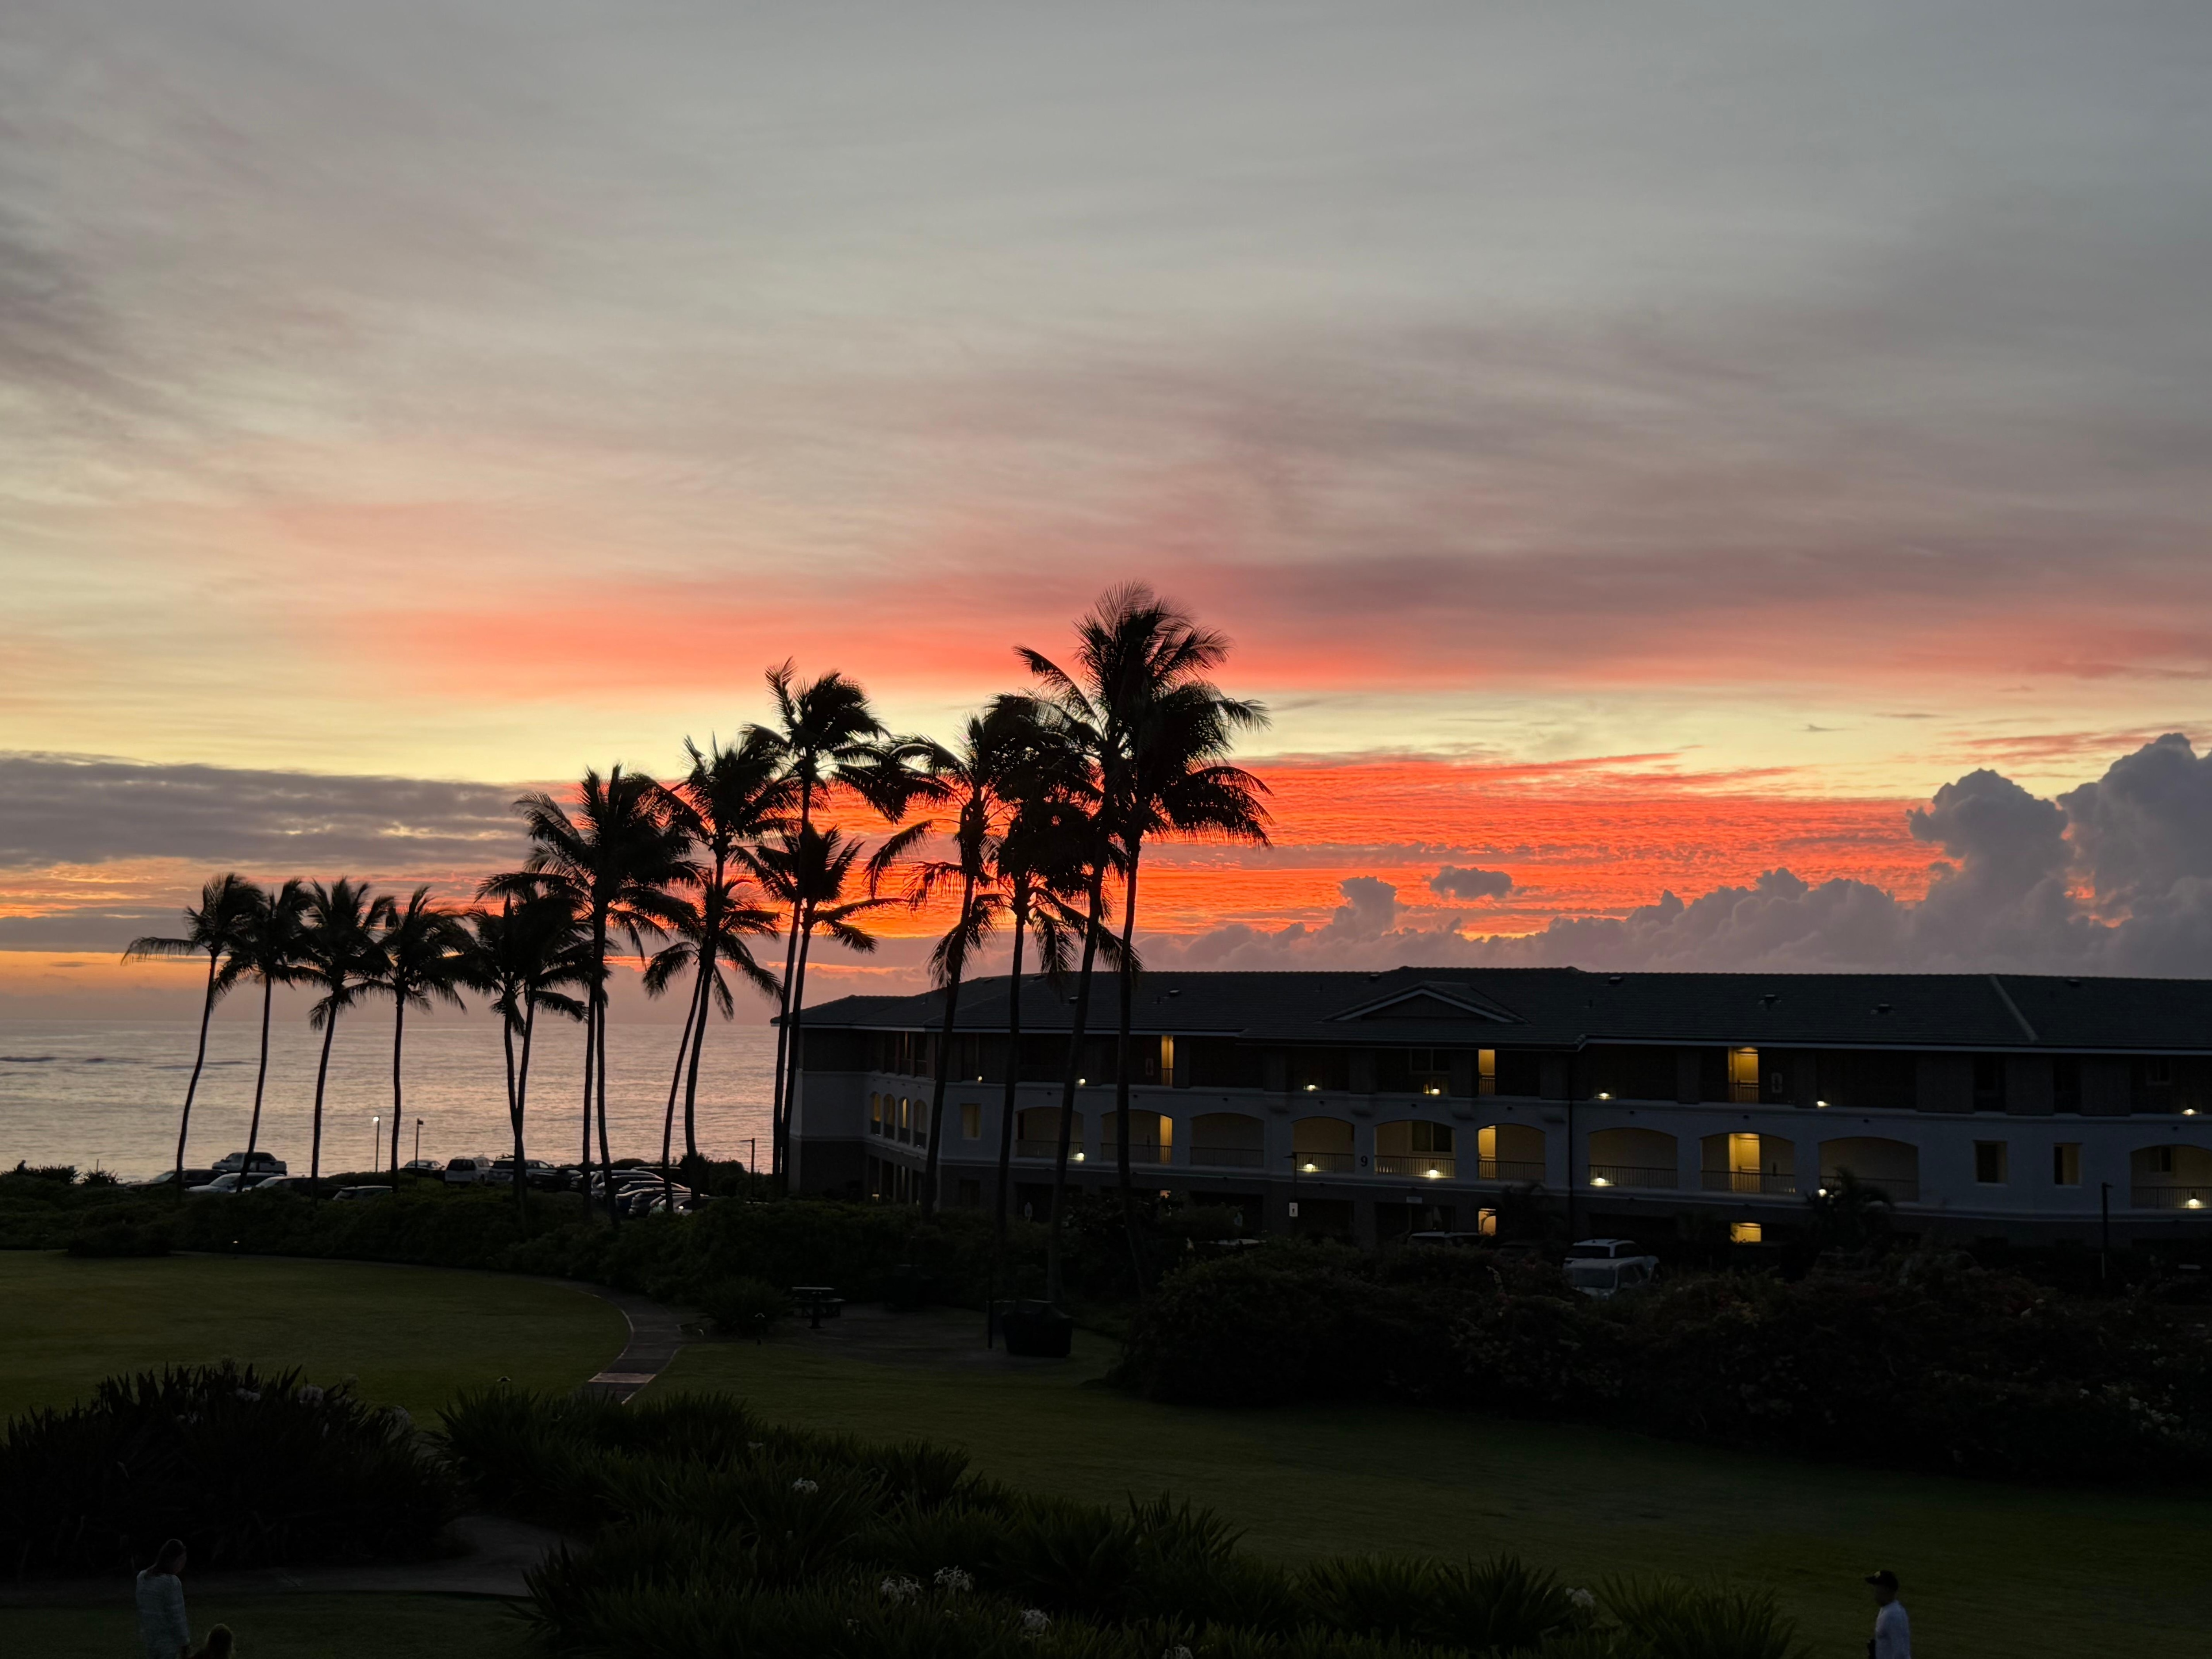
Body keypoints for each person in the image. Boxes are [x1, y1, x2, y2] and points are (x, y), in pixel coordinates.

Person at [134, 1538, 192, 1659]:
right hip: (168, 1641)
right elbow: (177, 1616)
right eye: (182, 1561)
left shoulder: (143, 1578)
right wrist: (185, 1641)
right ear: (176, 1560)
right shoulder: (171, 1583)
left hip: (150, 1637)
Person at [1866, 1568, 1911, 1659]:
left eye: (1877, 1587)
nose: (1875, 1592)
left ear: (1886, 1589)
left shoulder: (1893, 1615)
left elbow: (1901, 1653)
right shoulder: (1887, 1610)